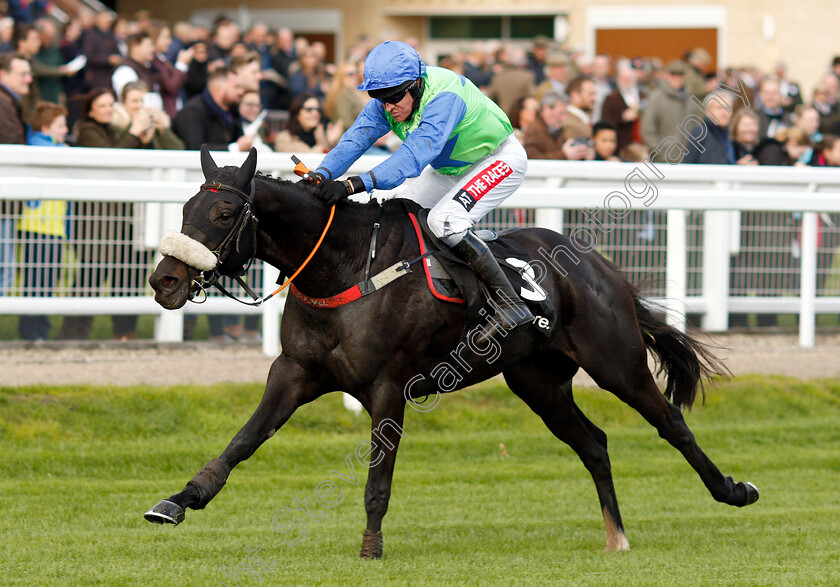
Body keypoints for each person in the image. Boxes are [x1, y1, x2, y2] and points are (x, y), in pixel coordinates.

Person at [310, 40, 534, 338]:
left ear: (416, 84)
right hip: (452, 168)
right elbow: (355, 140)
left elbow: (411, 159)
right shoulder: (389, 100)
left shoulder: (445, 97)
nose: (388, 106)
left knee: (445, 222)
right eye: (379, 97)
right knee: (391, 211)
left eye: (393, 97)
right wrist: (320, 175)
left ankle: (509, 303)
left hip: (499, 158)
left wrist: (352, 185)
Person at [59, 88, 152, 340]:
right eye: (103, 106)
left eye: (111, 105)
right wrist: (134, 133)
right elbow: (114, 159)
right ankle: (72, 331)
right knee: (92, 273)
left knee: (124, 273)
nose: (109, 109)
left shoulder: (111, 130)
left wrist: (143, 137)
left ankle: (121, 331)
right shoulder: (88, 131)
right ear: (90, 110)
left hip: (118, 218)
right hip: (95, 220)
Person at [18, 102, 70, 340]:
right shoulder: (39, 145)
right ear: (46, 127)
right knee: (36, 281)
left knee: (49, 280)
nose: (65, 129)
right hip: (37, 227)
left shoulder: (57, 146)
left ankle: (40, 330)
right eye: (60, 125)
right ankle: (30, 331)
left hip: (53, 227)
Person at [0, 53, 33, 298]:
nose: (29, 79)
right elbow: (13, 141)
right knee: (5, 271)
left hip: (7, 199)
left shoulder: (10, 101)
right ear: (3, 75)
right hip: (3, 199)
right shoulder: (3, 101)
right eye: (22, 73)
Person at [640, 59, 690, 162]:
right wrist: (658, 151)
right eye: (673, 74)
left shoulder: (690, 98)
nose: (677, 78)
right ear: (667, 75)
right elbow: (647, 128)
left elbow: (696, 125)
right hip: (663, 158)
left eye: (681, 74)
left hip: (687, 158)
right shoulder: (657, 97)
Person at [523, 91, 590, 161]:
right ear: (546, 109)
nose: (564, 118)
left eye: (565, 113)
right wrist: (563, 155)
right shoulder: (533, 131)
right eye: (561, 113)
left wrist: (582, 154)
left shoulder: (558, 129)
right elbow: (531, 159)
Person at [274, 92, 342, 153]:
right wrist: (322, 145)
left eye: (318, 110)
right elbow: (303, 164)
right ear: (297, 113)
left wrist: (331, 143)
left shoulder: (324, 136)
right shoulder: (284, 138)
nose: (315, 113)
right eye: (309, 109)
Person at [683, 91, 736, 164]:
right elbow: (688, 164)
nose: (724, 113)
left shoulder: (731, 135)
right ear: (708, 111)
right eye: (719, 108)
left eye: (728, 108)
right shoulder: (699, 134)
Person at [600, 66, 644, 153]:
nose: (627, 81)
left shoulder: (643, 96)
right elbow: (605, 121)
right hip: (622, 144)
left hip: (641, 143)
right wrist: (622, 117)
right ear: (618, 80)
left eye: (629, 78)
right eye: (623, 78)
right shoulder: (611, 98)